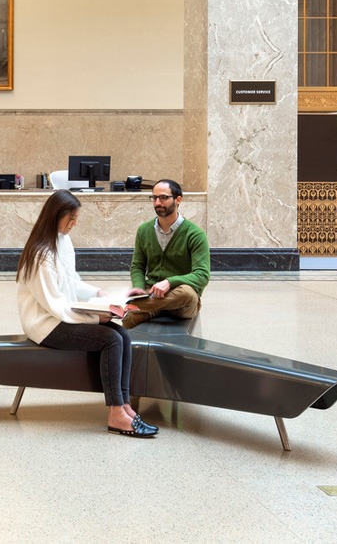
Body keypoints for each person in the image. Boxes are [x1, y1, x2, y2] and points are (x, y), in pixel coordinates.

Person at [15, 190, 156, 438]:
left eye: (76, 217)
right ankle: (115, 414)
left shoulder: (62, 240)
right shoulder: (41, 255)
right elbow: (55, 305)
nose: (75, 223)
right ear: (55, 216)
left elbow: (71, 282)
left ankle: (124, 406)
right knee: (110, 339)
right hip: (45, 324)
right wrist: (94, 317)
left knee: (122, 334)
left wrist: (101, 295)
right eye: (71, 218)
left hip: (62, 315)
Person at [123, 179, 212, 328]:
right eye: (154, 198)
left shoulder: (195, 234)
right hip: (152, 294)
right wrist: (138, 288)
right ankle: (149, 306)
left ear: (178, 200)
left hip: (182, 302)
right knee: (128, 321)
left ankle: (139, 305)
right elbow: (138, 266)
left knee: (187, 293)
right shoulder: (144, 230)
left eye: (163, 197)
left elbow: (202, 275)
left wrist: (170, 282)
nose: (158, 202)